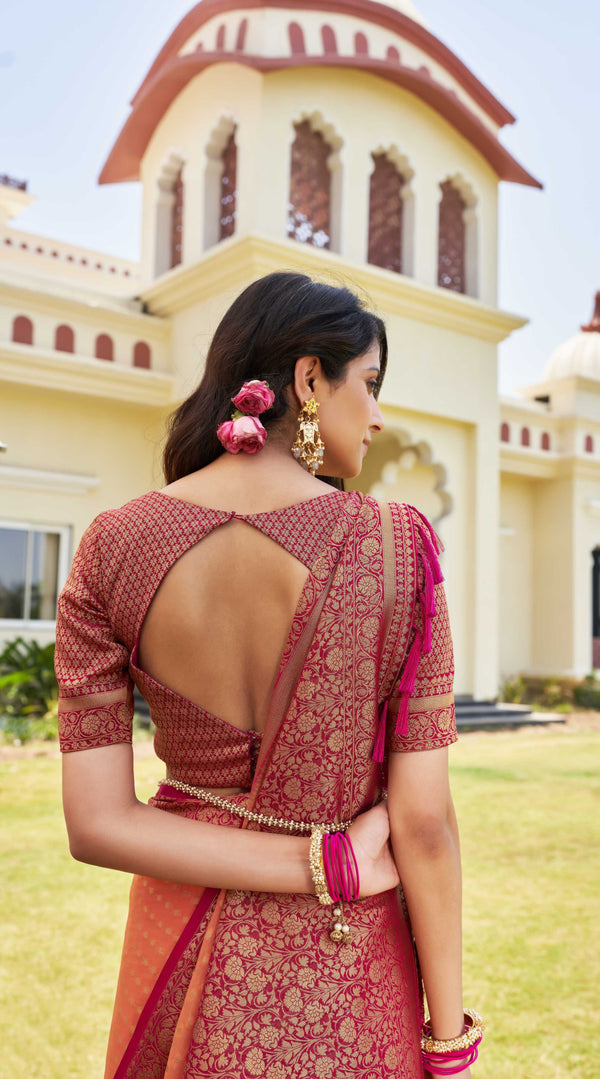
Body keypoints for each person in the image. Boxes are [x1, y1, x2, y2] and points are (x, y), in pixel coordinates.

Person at [56, 272, 480, 1079]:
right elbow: (423, 823)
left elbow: (97, 823)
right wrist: (448, 1033)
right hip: (349, 959)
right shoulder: (397, 546)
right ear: (310, 378)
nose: (378, 415)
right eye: (371, 383)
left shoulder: (112, 545)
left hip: (179, 938)